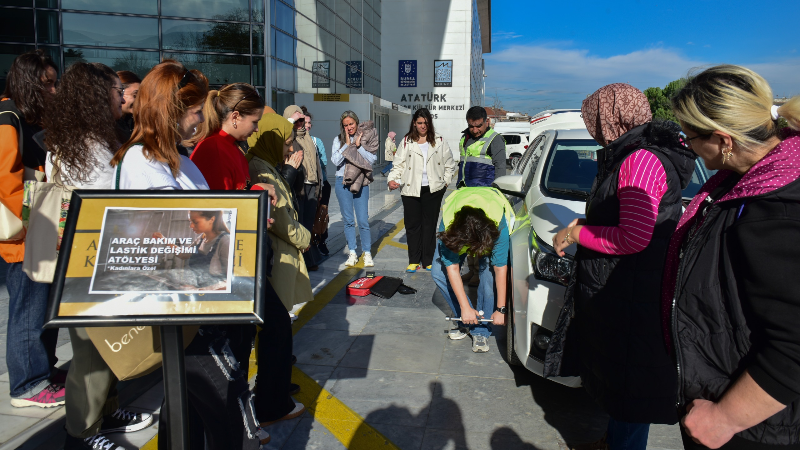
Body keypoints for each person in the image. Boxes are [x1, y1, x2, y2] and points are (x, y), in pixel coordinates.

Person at [109, 60, 262, 450]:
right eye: (195, 112)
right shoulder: (141, 162)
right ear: (171, 112)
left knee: (186, 409)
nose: (199, 120)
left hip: (201, 303)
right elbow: (169, 236)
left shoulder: (182, 161)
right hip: (179, 307)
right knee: (226, 404)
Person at [543, 83, 697, 450]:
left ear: (609, 117)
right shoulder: (632, 154)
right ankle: (613, 440)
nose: (592, 127)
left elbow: (633, 237)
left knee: (632, 384)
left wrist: (578, 233)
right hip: (625, 285)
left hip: (634, 290)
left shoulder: (640, 161)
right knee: (622, 376)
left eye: (593, 118)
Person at [665, 65, 800, 450]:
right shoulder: (750, 180)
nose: (686, 145)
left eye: (689, 136)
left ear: (723, 140)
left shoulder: (775, 210)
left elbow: (794, 344)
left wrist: (724, 418)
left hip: (755, 428)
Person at [43, 62, 155, 450]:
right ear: (95, 97)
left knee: (103, 347)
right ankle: (82, 433)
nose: (122, 96)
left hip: (91, 261)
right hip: (85, 263)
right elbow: (115, 203)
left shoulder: (85, 139)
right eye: (114, 90)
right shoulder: (87, 149)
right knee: (90, 352)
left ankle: (105, 414)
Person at [0, 49, 62, 408]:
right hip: (26, 235)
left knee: (41, 307)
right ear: (28, 83)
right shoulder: (8, 117)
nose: (54, 91)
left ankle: (45, 372)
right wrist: (28, 224)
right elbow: (6, 183)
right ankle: (27, 384)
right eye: (47, 84)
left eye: (55, 83)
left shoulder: (30, 117)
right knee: (27, 308)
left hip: (41, 229)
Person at [246, 113, 312, 427]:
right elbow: (281, 216)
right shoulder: (260, 167)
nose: (288, 148)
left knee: (277, 326)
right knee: (275, 329)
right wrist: (304, 237)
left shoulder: (266, 164)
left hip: (281, 254)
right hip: (279, 254)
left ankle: (273, 386)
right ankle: (271, 396)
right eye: (285, 141)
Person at [431, 187, 511, 353]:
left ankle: (481, 329)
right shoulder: (448, 227)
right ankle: (466, 319)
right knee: (438, 273)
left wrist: (501, 309)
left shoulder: (498, 225)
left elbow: (500, 268)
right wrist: (465, 307)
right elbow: (452, 268)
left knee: (488, 279)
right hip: (460, 226)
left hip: (489, 227)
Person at [388, 108, 456, 272]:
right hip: (410, 190)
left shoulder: (439, 141)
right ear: (414, 123)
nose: (423, 126)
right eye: (420, 123)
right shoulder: (406, 141)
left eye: (426, 122)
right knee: (412, 226)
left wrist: (444, 183)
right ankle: (413, 260)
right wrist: (391, 179)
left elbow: (450, 165)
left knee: (429, 225)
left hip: (433, 190)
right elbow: (398, 164)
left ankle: (427, 259)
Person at [457, 106, 507, 286]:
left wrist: (497, 195)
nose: (475, 130)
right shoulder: (465, 138)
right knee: (468, 235)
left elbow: (500, 170)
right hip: (465, 195)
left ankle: (480, 272)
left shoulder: (495, 140)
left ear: (487, 122)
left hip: (484, 197)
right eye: (471, 126)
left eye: (478, 126)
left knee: (480, 237)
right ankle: (471, 270)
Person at [190, 82, 265, 190]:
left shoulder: (227, 146)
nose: (256, 129)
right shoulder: (214, 150)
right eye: (254, 122)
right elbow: (221, 203)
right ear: (235, 117)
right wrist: (258, 191)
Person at [331, 110, 375, 267]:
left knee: (363, 219)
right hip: (342, 182)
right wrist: (347, 147)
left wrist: (359, 146)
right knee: (349, 220)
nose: (349, 127)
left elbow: (371, 159)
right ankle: (352, 252)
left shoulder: (365, 137)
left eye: (351, 124)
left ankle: (367, 252)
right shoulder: (339, 140)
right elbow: (335, 161)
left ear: (356, 123)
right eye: (345, 125)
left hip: (361, 181)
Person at [283, 105, 323, 269]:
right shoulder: (287, 136)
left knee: (307, 224)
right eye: (296, 120)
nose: (300, 124)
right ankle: (302, 261)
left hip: (311, 186)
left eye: (302, 120)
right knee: (297, 225)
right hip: (297, 188)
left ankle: (308, 259)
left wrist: (319, 187)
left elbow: (317, 163)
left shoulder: (308, 137)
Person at [301, 105, 332, 256]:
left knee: (321, 215)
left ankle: (321, 240)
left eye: (309, 123)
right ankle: (308, 246)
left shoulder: (316, 141)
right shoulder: (294, 140)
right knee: (306, 217)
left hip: (320, 184)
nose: (307, 126)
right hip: (303, 186)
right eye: (305, 122)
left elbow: (324, 163)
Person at [116, 70, 141, 143]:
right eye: (135, 95)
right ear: (120, 92)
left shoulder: (133, 121)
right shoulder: (108, 127)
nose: (139, 101)